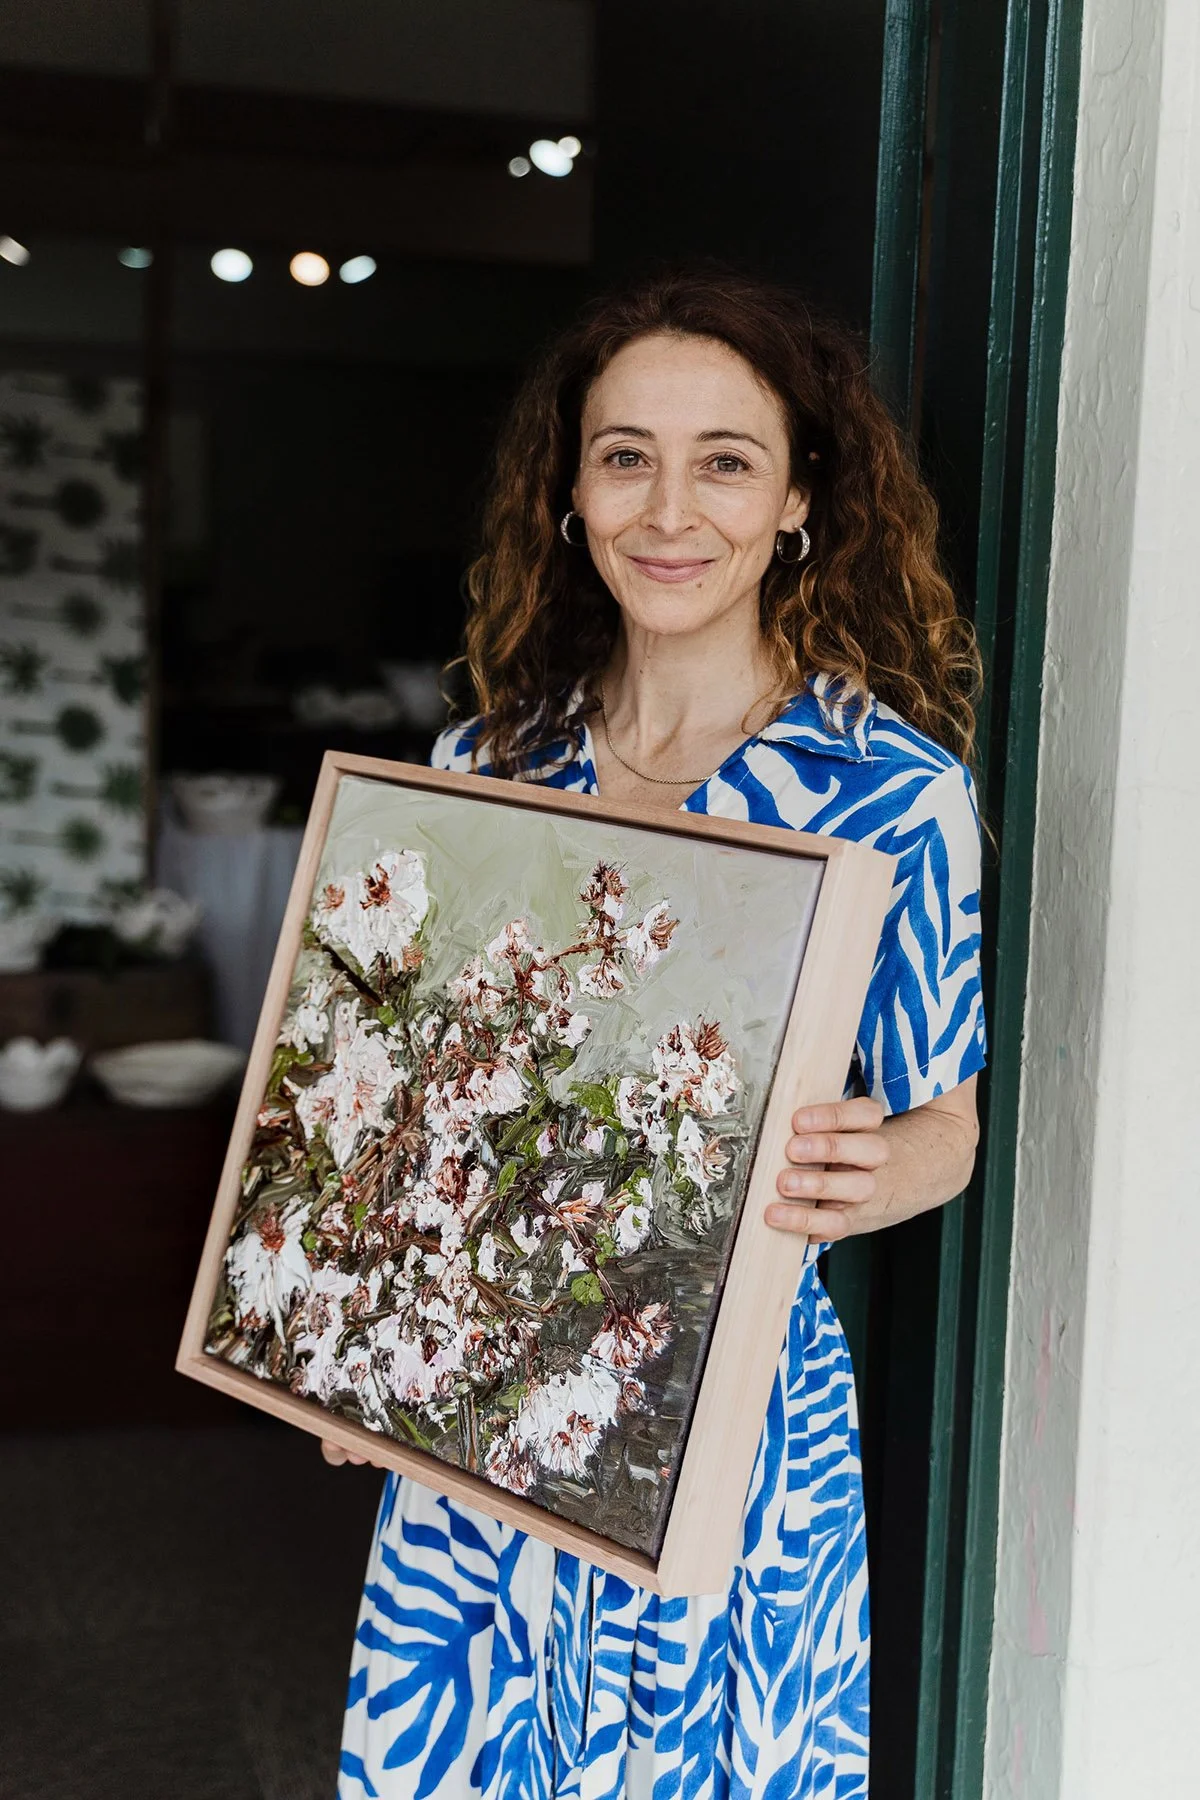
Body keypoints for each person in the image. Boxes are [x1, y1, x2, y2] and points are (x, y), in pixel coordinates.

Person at [329, 269, 987, 1800]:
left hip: (732, 1422)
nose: (667, 509)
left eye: (726, 460)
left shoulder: (888, 791)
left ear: (802, 500)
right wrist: (347, 1355)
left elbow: (942, 1122)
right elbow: (410, 1121)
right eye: (626, 454)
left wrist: (873, 1172)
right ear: (569, 490)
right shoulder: (487, 763)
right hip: (479, 1400)